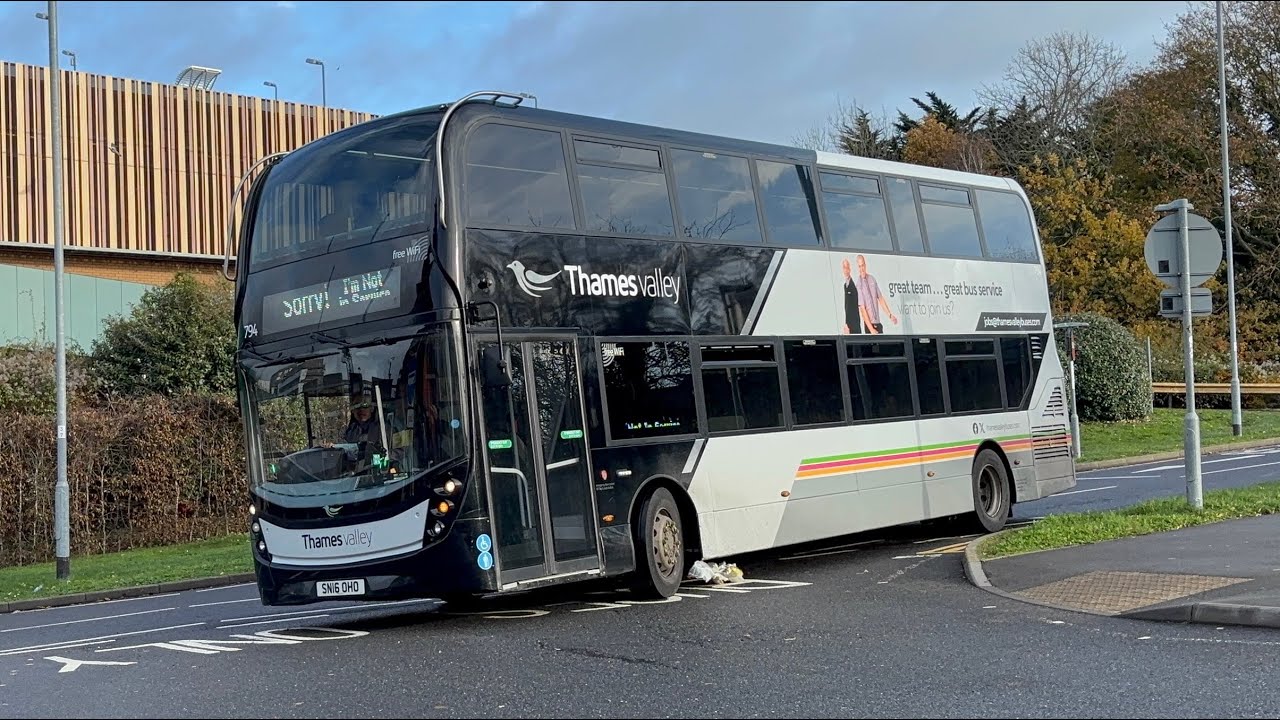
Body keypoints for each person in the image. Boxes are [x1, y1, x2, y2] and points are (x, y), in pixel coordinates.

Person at [855, 254, 898, 334]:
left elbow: (880, 298)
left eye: (863, 265)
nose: (862, 268)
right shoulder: (859, 285)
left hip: (878, 324)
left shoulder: (872, 279)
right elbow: (862, 310)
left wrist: (890, 315)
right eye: (860, 266)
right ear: (858, 267)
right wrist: (871, 329)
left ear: (865, 265)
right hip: (869, 326)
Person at [840, 257, 863, 334]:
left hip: (854, 326)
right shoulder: (845, 285)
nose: (845, 270)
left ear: (850, 269)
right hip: (849, 325)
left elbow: (854, 308)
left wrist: (849, 326)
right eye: (844, 268)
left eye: (847, 268)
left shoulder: (853, 286)